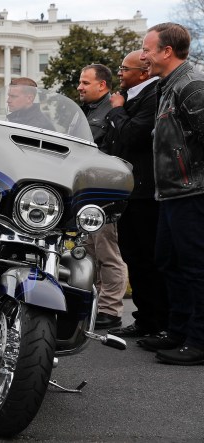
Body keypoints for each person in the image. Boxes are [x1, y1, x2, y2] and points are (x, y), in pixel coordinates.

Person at [136, 23, 204, 365]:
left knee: (195, 267)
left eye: (147, 49)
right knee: (168, 262)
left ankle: (200, 340)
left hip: (192, 193)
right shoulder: (166, 86)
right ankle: (178, 330)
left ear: (166, 51)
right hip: (171, 194)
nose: (143, 55)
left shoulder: (192, 84)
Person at [103, 51, 168, 338]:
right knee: (133, 256)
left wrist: (117, 109)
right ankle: (145, 319)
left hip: (146, 192)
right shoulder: (130, 98)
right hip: (128, 192)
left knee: (149, 258)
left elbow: (134, 136)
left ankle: (159, 322)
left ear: (142, 73)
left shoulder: (152, 96)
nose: (119, 73)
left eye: (123, 69)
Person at [78, 63, 129, 330]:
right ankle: (95, 304)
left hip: (106, 193)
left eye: (86, 83)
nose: (80, 87)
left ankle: (111, 309)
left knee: (107, 252)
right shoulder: (85, 112)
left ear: (102, 85)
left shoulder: (112, 109)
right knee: (89, 251)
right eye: (80, 82)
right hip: (87, 192)